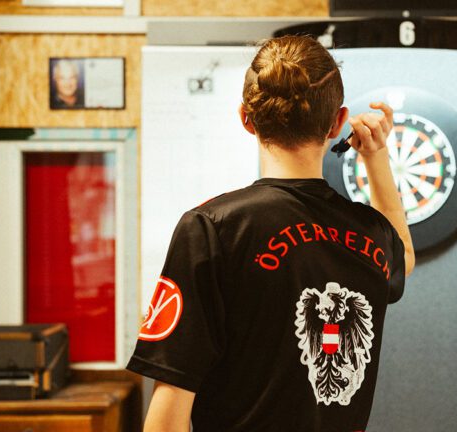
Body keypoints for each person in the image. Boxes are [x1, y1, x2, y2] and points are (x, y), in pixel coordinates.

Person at [126, 34, 416, 432]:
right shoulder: (372, 237)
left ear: (246, 118)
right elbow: (404, 255)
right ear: (337, 123)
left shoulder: (213, 228)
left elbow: (170, 406)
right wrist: (376, 155)